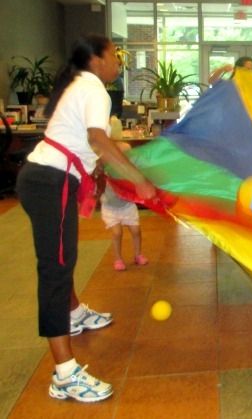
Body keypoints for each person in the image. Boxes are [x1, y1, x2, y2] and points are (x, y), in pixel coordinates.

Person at [16, 34, 157, 403]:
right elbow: (97, 138)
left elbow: (81, 141)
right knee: (55, 271)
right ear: (96, 60)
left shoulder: (79, 83)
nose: (119, 62)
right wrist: (138, 179)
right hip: (50, 182)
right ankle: (65, 374)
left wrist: (93, 176)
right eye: (115, 55)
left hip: (46, 179)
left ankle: (74, 312)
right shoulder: (94, 87)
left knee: (62, 259)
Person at [99, 142, 148, 271]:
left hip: (127, 206)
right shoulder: (105, 171)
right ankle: (118, 259)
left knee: (136, 231)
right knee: (117, 232)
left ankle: (138, 255)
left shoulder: (127, 171)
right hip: (110, 208)